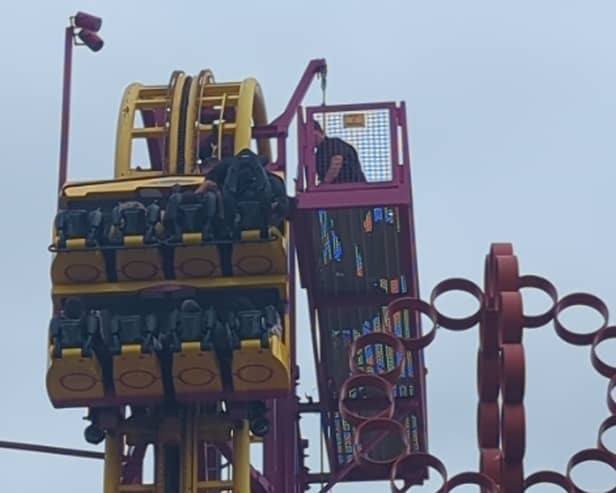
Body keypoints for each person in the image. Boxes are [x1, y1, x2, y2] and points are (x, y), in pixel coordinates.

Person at [312, 120, 366, 184]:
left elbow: (337, 161)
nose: (312, 138)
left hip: (352, 185)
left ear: (320, 132)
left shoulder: (332, 143)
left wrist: (325, 182)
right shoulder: (318, 154)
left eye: (313, 135)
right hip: (344, 187)